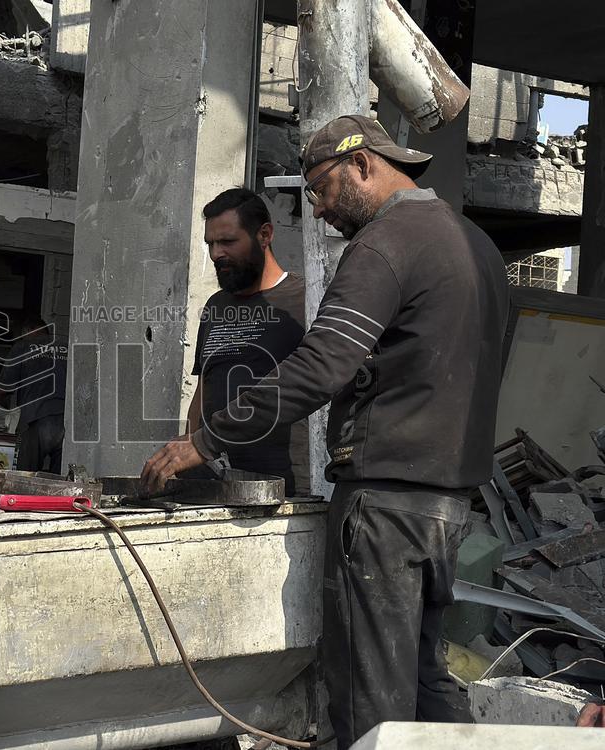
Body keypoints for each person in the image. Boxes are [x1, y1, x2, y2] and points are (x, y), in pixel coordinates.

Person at [141, 115, 509, 748]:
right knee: (425, 679)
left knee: (371, 700)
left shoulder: (387, 243)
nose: (318, 210)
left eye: (321, 189)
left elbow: (320, 365)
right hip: (447, 504)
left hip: (385, 506)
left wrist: (203, 441)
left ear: (361, 164)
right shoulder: (478, 244)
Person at [186, 187, 308, 495]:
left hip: (284, 487)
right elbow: (204, 389)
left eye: (227, 241)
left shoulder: (307, 299)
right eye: (210, 244)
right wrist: (188, 452)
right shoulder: (215, 307)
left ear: (265, 235)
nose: (216, 254)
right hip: (215, 483)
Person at [0, 312, 68, 473]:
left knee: (25, 477)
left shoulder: (23, 346)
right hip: (68, 424)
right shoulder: (68, 346)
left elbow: (2, 388)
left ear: (27, 331)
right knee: (59, 483)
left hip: (37, 421)